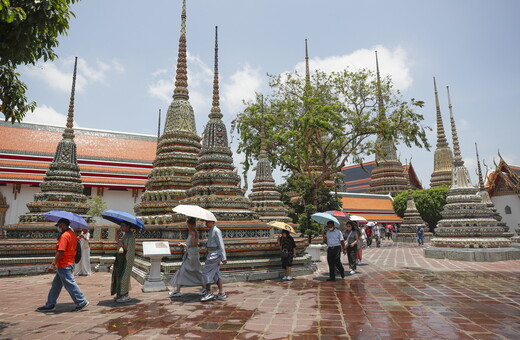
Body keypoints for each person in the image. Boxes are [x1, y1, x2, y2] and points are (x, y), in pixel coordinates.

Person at [37, 218, 89, 312]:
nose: (58, 227)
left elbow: (60, 251)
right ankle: (50, 304)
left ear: (62, 225)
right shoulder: (72, 234)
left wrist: (53, 264)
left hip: (65, 263)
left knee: (70, 283)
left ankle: (81, 301)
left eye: (59, 225)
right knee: (56, 285)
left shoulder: (64, 236)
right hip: (68, 262)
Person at [169, 217, 206, 297]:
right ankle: (178, 290)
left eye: (189, 224)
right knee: (183, 271)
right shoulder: (191, 232)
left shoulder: (193, 232)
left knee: (197, 271)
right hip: (190, 254)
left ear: (192, 224)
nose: (188, 226)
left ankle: (204, 288)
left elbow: (195, 244)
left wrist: (194, 239)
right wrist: (183, 244)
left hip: (193, 255)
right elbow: (191, 245)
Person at [200, 220, 227, 302]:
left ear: (212, 222)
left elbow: (221, 244)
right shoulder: (211, 231)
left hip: (215, 255)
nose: (206, 223)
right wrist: (203, 244)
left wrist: (224, 257)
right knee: (216, 273)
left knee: (205, 272)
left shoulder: (216, 230)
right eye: (206, 222)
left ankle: (209, 292)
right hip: (212, 254)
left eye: (207, 222)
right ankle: (221, 293)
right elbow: (211, 243)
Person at [111, 221, 137, 303]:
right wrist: (118, 239)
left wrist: (120, 243)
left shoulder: (131, 236)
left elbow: (129, 248)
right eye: (121, 226)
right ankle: (119, 294)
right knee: (118, 275)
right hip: (121, 258)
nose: (122, 228)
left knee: (124, 277)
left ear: (128, 226)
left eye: (123, 226)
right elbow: (121, 244)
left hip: (127, 258)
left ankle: (126, 295)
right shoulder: (124, 234)